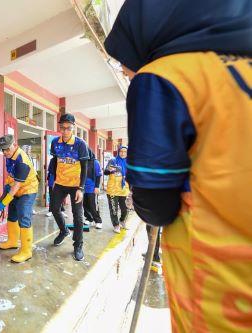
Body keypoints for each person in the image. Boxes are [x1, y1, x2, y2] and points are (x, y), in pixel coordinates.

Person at [104, 1, 251, 331]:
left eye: (123, 59)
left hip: (220, 289)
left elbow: (155, 206)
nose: (125, 71)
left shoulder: (164, 78)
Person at [49, 113, 89, 261]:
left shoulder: (80, 144)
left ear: (73, 128)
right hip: (60, 183)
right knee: (54, 208)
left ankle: (78, 245)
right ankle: (63, 230)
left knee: (78, 217)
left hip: (75, 185)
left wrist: (81, 188)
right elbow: (54, 161)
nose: (65, 131)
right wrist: (53, 179)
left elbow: (85, 167)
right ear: (59, 127)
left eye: (69, 128)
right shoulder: (55, 142)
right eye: (63, 128)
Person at [0, 134, 39, 263]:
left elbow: (17, 186)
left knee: (24, 217)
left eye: (7, 149)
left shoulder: (22, 161)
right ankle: (12, 241)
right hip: (16, 188)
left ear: (15, 145)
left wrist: (4, 203)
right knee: (12, 215)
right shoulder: (9, 157)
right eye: (3, 149)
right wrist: (2, 199)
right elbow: (11, 180)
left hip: (27, 190)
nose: (5, 152)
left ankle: (26, 251)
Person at [104, 146, 129, 233]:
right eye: (121, 151)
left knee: (125, 209)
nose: (123, 153)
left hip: (124, 190)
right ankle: (116, 225)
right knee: (114, 209)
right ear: (118, 152)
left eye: (125, 152)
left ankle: (122, 220)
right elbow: (105, 172)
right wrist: (111, 170)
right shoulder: (113, 160)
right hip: (112, 189)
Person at [83, 148, 102, 229]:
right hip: (83, 187)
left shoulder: (95, 162)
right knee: (85, 204)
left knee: (92, 205)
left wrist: (97, 187)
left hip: (92, 187)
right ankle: (89, 218)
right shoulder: (82, 162)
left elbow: (98, 175)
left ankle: (98, 221)